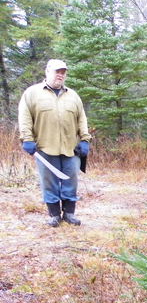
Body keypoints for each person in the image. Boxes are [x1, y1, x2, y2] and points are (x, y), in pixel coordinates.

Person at [18, 59, 91, 227]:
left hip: (70, 148)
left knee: (70, 180)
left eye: (63, 72)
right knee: (48, 181)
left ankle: (69, 214)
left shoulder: (73, 95)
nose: (60, 75)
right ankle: (54, 215)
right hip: (44, 148)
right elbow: (25, 118)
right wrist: (27, 139)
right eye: (57, 71)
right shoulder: (32, 93)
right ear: (47, 71)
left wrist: (85, 139)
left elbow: (82, 119)